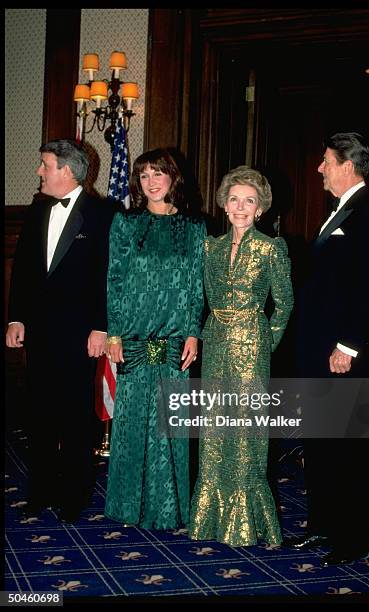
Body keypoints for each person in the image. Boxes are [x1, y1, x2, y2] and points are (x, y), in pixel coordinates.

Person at [287, 132, 369, 565]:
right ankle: (322, 526)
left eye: (325, 160)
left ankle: (351, 539)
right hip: (319, 351)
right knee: (323, 444)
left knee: (350, 447)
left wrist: (348, 345)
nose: (319, 168)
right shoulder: (339, 210)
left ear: (347, 164)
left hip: (344, 355)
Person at [6, 139, 114, 523]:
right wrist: (16, 318)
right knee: (38, 412)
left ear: (67, 171)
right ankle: (40, 491)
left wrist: (102, 326)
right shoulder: (37, 212)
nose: (39, 171)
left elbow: (109, 277)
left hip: (81, 334)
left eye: (45, 165)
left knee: (75, 416)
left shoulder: (104, 214)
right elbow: (22, 270)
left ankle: (74, 495)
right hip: (39, 331)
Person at [189, 165, 294, 546]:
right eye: (234, 199)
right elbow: (200, 297)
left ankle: (249, 521)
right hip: (215, 339)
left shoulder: (271, 247)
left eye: (249, 201)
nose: (240, 207)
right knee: (215, 427)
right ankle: (209, 519)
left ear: (260, 208)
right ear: (224, 204)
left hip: (252, 342)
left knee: (247, 428)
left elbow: (284, 304)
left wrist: (266, 343)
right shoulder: (209, 247)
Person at [104, 148, 206, 528]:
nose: (151, 181)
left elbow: (196, 286)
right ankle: (127, 506)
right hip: (133, 335)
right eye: (143, 175)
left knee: (170, 422)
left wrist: (194, 332)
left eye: (158, 173)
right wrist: (113, 333)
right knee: (132, 423)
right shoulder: (125, 224)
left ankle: (170, 510)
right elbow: (114, 281)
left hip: (176, 338)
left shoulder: (194, 228)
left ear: (172, 178)